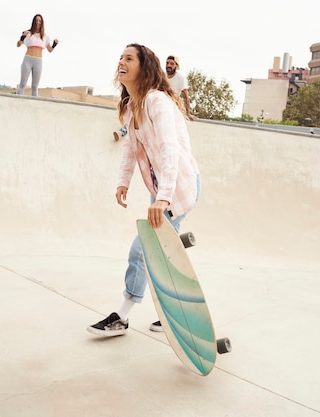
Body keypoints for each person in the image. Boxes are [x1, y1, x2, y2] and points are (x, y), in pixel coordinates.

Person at [87, 43, 201, 336]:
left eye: (128, 58)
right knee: (163, 253)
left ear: (143, 66)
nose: (121, 62)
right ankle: (176, 312)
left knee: (143, 249)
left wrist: (163, 198)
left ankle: (122, 316)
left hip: (178, 188)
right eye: (120, 58)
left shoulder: (158, 102)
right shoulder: (130, 106)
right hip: (161, 190)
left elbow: (169, 150)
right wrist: (122, 182)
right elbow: (130, 149)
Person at [16, 14, 59, 96]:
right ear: (34, 22)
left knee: (35, 86)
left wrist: (54, 44)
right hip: (28, 60)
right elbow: (18, 45)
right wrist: (22, 38)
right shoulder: (28, 33)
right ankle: (18, 102)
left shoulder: (45, 36)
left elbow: (50, 50)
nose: (38, 22)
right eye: (36, 20)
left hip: (38, 61)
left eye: (40, 21)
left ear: (42, 23)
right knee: (22, 84)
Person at [165, 55, 195, 120]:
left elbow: (185, 96)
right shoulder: (161, 76)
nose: (169, 65)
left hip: (172, 108)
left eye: (172, 64)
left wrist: (188, 113)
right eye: (167, 63)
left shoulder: (180, 78)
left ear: (176, 66)